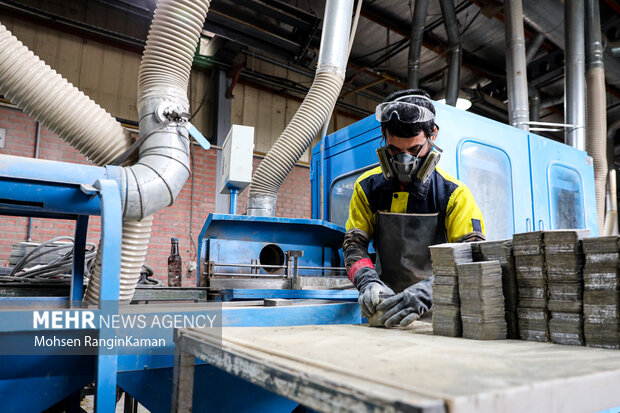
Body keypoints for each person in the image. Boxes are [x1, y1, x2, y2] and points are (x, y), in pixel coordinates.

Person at [344, 89, 486, 328]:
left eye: (414, 150)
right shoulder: (367, 188)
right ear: (384, 138)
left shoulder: (454, 194)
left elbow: (472, 256)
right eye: (395, 151)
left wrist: (429, 291)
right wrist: (367, 282)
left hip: (439, 316)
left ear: (433, 136)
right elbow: (354, 245)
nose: (405, 161)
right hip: (384, 312)